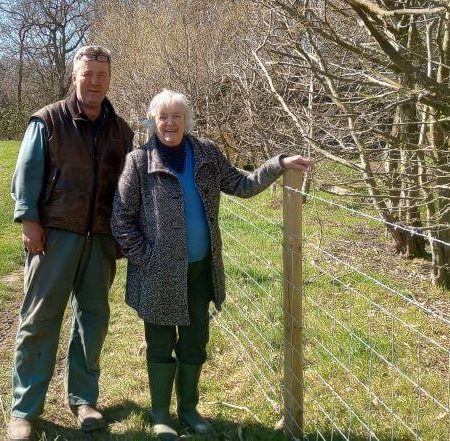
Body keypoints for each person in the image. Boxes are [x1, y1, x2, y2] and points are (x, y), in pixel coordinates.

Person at [111, 89, 311, 439]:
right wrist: (145, 257)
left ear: (186, 121)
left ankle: (188, 408)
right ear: (153, 122)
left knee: (194, 342)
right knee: (160, 343)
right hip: (157, 274)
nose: (170, 123)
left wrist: (277, 165)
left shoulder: (206, 153)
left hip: (200, 270)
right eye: (163, 117)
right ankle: (160, 415)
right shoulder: (139, 162)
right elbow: (121, 218)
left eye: (176, 116)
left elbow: (242, 185)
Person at [7, 45, 134, 441]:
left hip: (100, 240)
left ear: (109, 79)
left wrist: (124, 233)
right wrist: (29, 220)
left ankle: (84, 401)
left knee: (92, 322)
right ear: (73, 76)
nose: (94, 82)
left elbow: (129, 189)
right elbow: (26, 174)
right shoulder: (48, 120)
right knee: (39, 321)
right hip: (53, 236)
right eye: (87, 74)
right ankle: (24, 410)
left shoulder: (122, 130)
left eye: (101, 75)